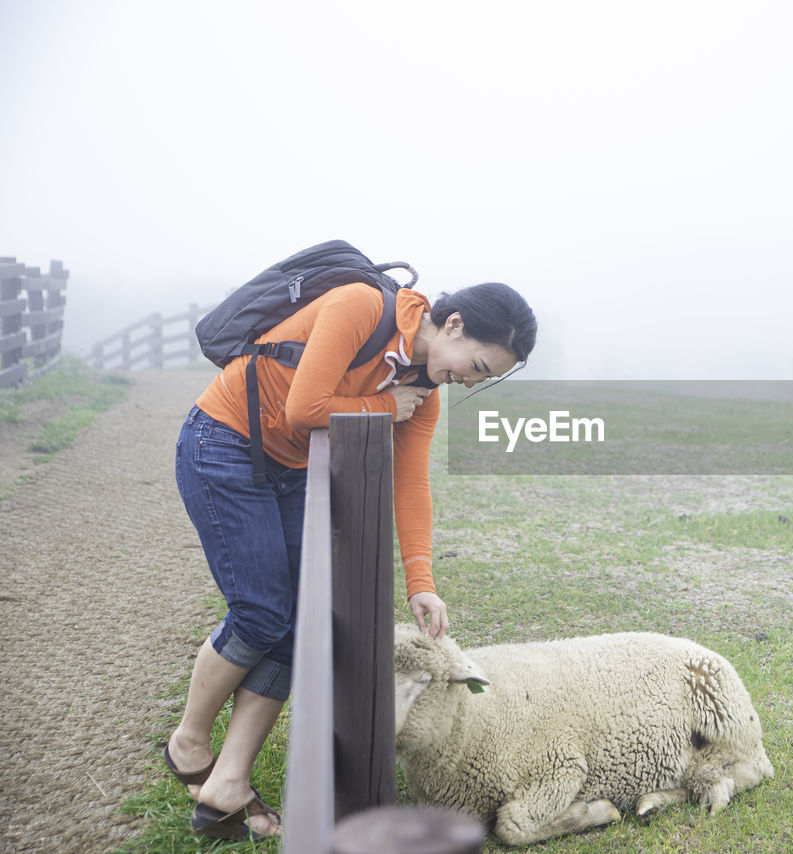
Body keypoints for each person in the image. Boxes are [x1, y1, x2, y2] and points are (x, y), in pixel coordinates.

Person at [163, 278, 536, 840]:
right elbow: (302, 408)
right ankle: (189, 743)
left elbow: (411, 486)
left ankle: (228, 782)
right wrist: (384, 405)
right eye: (478, 366)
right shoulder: (361, 305)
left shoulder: (424, 392)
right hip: (224, 442)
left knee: (293, 626)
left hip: (286, 471)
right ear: (453, 324)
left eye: (485, 379)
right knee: (261, 614)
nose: (470, 380)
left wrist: (421, 582)